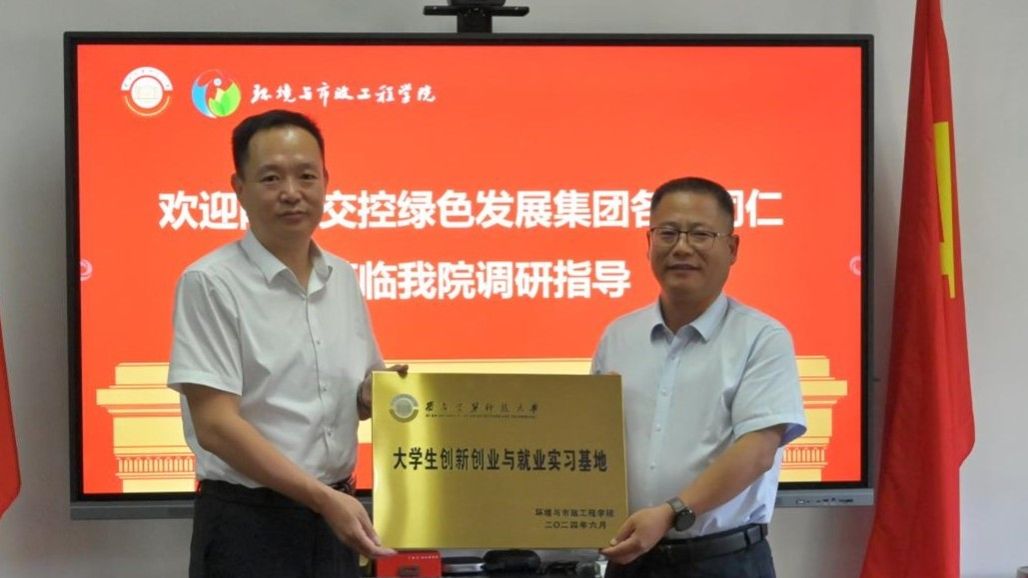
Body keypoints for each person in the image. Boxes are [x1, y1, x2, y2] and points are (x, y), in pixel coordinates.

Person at [168, 109, 405, 578]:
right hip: (250, 525)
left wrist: (372, 394)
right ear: (239, 189)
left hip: (337, 515)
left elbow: (348, 396)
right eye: (271, 178)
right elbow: (215, 425)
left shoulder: (342, 276)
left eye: (306, 176)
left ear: (326, 182)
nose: (292, 192)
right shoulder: (211, 282)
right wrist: (322, 499)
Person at [592, 177, 807, 578]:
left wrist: (671, 512)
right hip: (632, 560)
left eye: (700, 234)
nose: (682, 247)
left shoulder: (762, 337)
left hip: (724, 562)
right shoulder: (618, 337)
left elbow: (758, 451)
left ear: (732, 248)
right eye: (668, 233)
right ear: (649, 242)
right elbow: (594, 441)